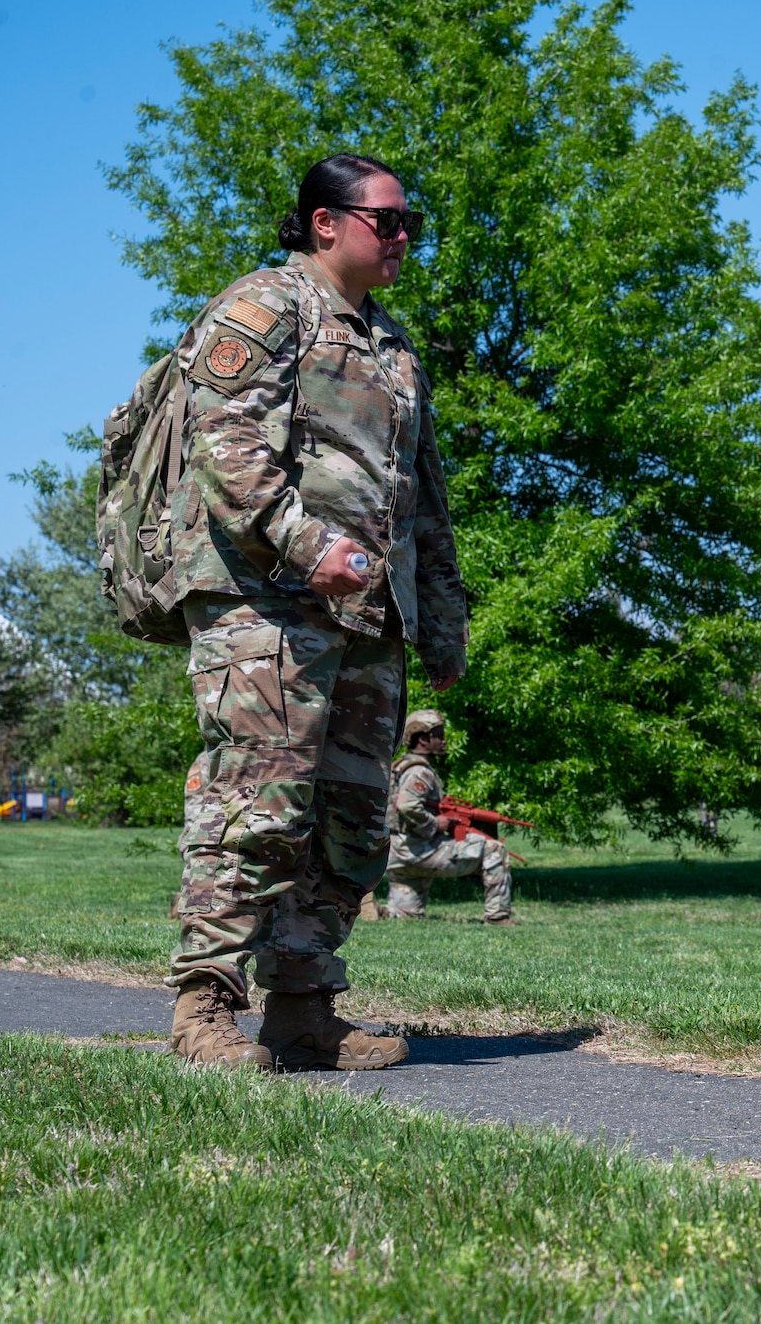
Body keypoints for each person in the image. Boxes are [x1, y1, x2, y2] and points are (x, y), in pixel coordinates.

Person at [164, 153, 467, 1072]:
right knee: (256, 802)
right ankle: (203, 1005)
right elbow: (226, 449)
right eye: (388, 220)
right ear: (325, 223)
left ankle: (304, 1006)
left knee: (348, 815)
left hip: (372, 618)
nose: (404, 236)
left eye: (410, 221)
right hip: (267, 606)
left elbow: (423, 494)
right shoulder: (262, 310)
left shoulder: (393, 343)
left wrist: (443, 613)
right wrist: (308, 547)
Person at [383, 710, 514, 924]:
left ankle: (374, 910)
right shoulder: (420, 772)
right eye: (440, 735)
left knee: (406, 914)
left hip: (397, 852)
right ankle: (499, 916)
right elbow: (407, 804)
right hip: (419, 849)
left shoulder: (400, 766)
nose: (444, 741)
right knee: (494, 849)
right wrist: (436, 823)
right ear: (423, 739)